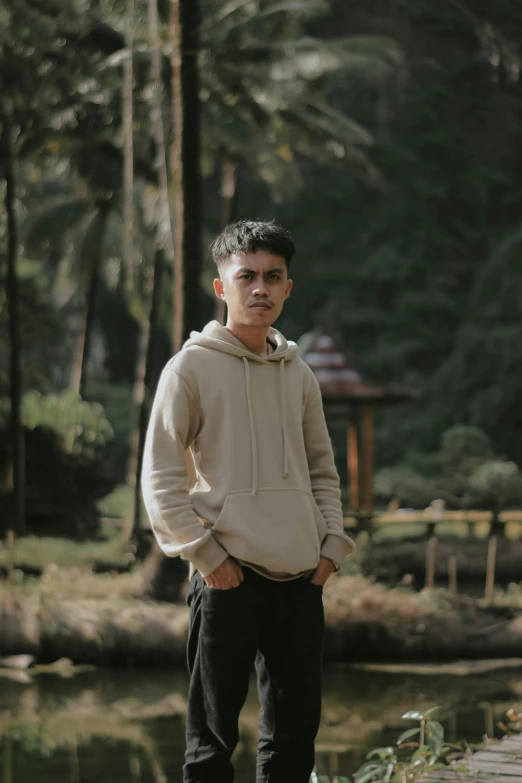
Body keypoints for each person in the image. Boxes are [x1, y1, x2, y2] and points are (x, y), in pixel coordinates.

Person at [141, 220, 355, 783]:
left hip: (301, 577)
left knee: (292, 740)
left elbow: (322, 471)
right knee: (210, 743)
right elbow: (159, 476)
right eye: (247, 276)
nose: (260, 288)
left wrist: (330, 548)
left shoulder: (299, 374)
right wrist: (207, 558)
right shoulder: (189, 368)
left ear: (288, 288)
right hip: (226, 578)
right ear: (222, 286)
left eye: (272, 277)